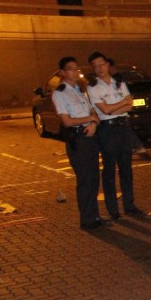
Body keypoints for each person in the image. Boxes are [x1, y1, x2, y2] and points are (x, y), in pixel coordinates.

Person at [87, 51, 144, 219]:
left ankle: (129, 206)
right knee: (109, 170)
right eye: (95, 66)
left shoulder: (118, 82)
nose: (99, 68)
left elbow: (129, 105)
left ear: (107, 65)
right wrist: (120, 104)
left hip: (124, 127)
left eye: (102, 64)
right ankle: (113, 210)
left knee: (126, 168)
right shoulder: (93, 87)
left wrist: (115, 108)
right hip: (108, 130)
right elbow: (105, 110)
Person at [52, 56, 105, 231]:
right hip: (78, 139)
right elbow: (67, 121)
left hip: (90, 136)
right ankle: (87, 220)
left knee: (94, 178)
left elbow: (92, 112)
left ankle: (94, 215)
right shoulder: (60, 93)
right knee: (85, 180)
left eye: (76, 68)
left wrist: (93, 123)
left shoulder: (80, 90)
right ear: (62, 72)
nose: (75, 72)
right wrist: (89, 119)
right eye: (71, 69)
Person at [107, 57, 147, 157]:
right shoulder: (117, 77)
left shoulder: (116, 79)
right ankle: (135, 147)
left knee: (126, 130)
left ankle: (138, 146)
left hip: (121, 108)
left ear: (111, 66)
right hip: (121, 107)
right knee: (125, 130)